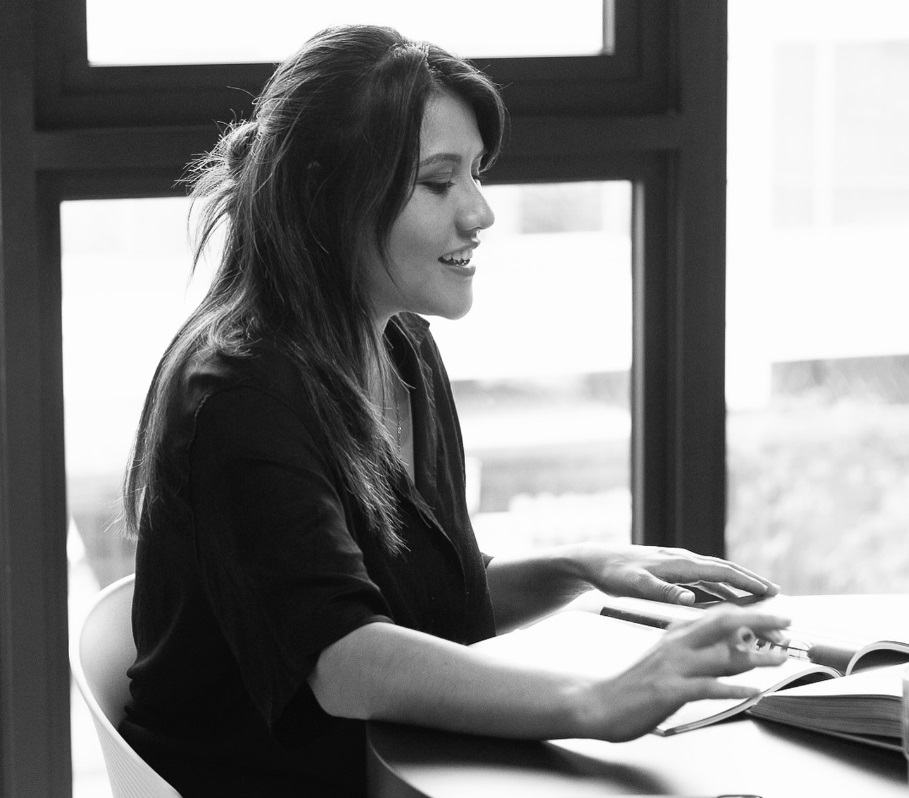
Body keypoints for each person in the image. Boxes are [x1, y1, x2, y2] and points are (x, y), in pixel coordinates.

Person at [119, 24, 789, 797]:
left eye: (475, 173)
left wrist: (582, 568)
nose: (479, 212)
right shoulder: (242, 396)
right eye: (438, 182)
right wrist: (599, 702)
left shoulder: (399, 347)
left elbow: (421, 601)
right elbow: (345, 660)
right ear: (322, 195)